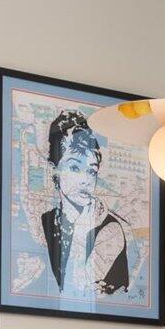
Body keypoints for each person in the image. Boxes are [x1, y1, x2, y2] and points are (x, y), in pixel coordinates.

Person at [39, 108, 131, 298]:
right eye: (74, 167)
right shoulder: (46, 220)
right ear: (53, 170)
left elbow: (72, 292)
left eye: (91, 171)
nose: (85, 180)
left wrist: (82, 228)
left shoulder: (110, 229)